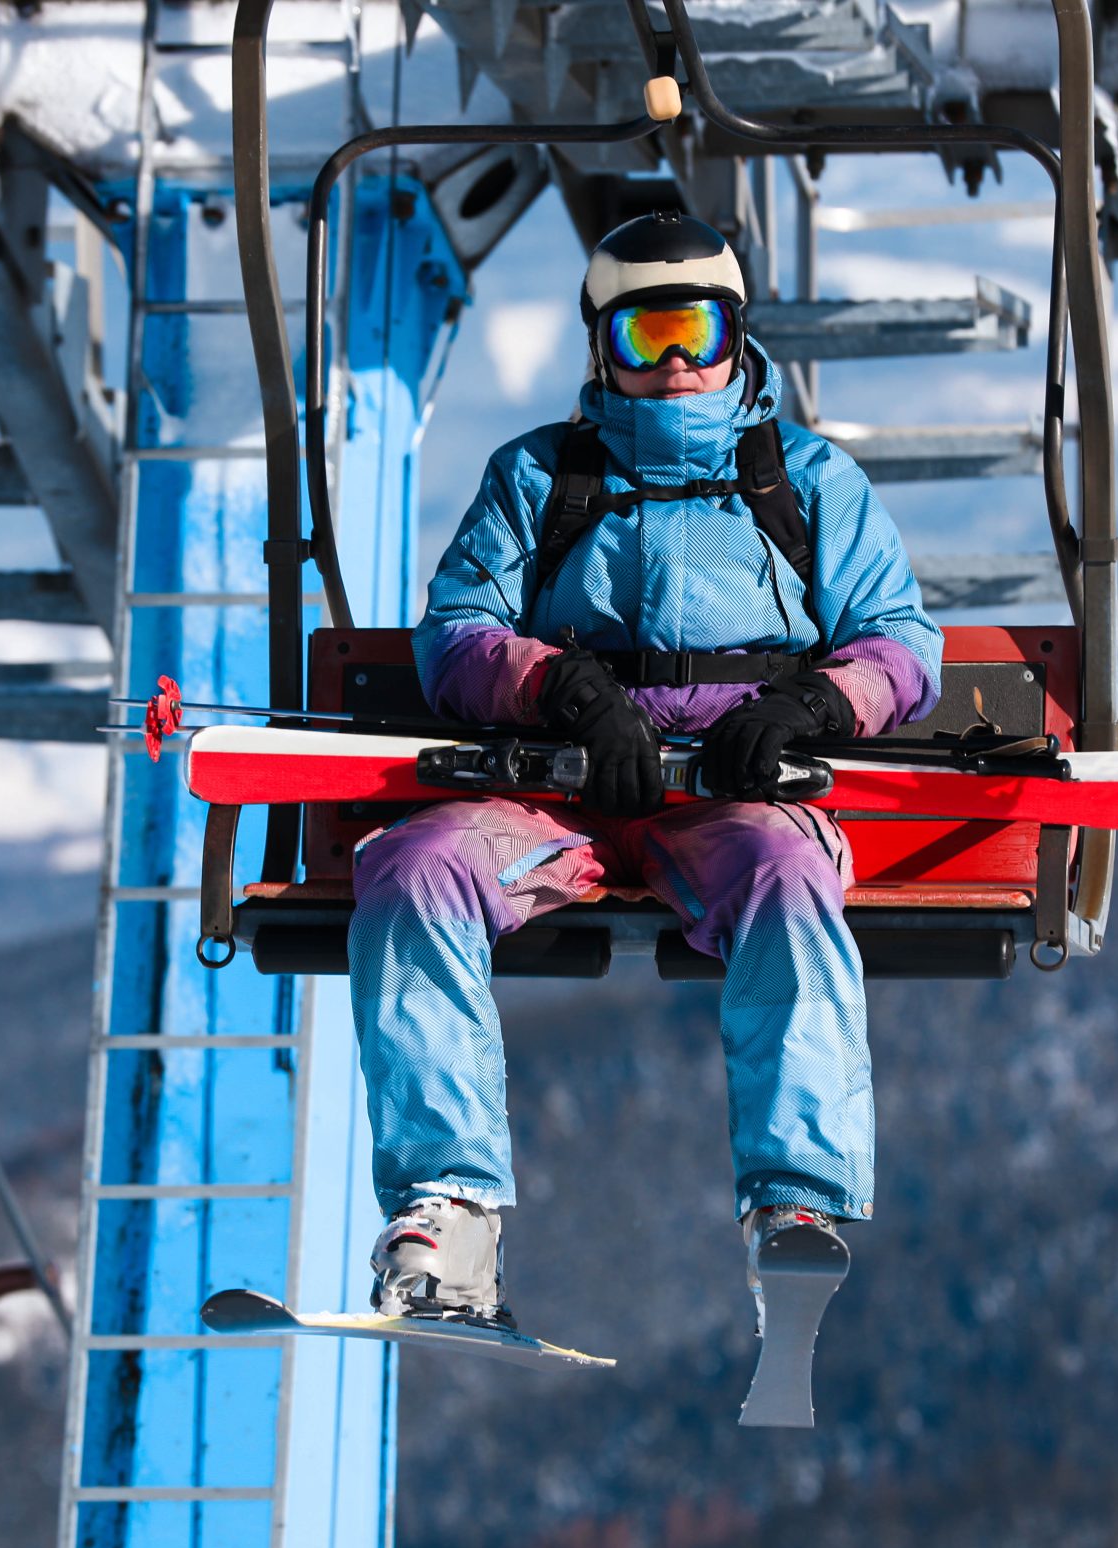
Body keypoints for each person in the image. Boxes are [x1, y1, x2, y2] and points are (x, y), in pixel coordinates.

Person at [347, 210, 941, 1328]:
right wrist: (559, 690)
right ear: (599, 345)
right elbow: (455, 632)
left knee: (788, 882)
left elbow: (900, 643)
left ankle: (796, 1205)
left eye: (694, 330)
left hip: (728, 796)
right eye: (643, 335)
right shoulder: (541, 479)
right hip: (559, 792)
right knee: (414, 868)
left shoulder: (801, 481)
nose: (672, 365)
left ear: (734, 334)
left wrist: (809, 702)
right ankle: (449, 1210)